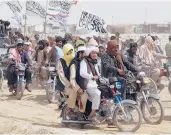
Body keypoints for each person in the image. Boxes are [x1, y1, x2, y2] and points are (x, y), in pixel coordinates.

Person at [80, 46, 101, 122]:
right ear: (89, 54)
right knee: (97, 93)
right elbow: (82, 73)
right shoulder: (84, 62)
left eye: (95, 53)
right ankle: (92, 114)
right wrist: (91, 77)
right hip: (87, 84)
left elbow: (98, 74)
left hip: (95, 84)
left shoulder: (94, 62)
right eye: (93, 53)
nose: (95, 54)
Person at [57, 43, 76, 116]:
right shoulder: (61, 61)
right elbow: (61, 75)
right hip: (64, 85)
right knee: (73, 93)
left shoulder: (75, 60)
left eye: (71, 51)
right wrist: (69, 84)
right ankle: (69, 109)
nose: (70, 53)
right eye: (68, 52)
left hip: (74, 83)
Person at [69, 46, 88, 114]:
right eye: (83, 53)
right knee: (84, 96)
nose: (84, 55)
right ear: (79, 53)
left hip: (86, 86)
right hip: (76, 87)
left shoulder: (87, 63)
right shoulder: (74, 64)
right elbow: (72, 79)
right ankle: (80, 113)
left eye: (85, 53)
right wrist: (78, 89)